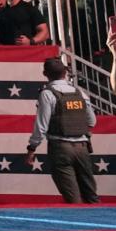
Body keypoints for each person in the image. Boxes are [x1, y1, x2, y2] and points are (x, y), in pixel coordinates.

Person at [25, 57, 98, 204]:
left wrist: (31, 148)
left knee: (73, 199)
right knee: (91, 196)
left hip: (60, 148)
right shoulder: (79, 93)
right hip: (82, 148)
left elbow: (41, 126)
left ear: (45, 73)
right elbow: (92, 121)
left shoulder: (47, 94)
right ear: (65, 73)